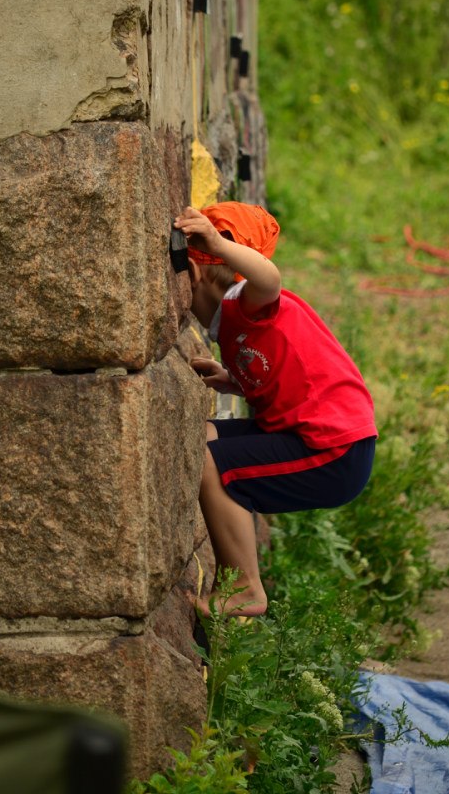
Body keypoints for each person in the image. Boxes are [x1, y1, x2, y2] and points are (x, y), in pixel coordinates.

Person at [173, 202, 377, 616]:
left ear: (193, 273)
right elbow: (288, 377)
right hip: (320, 439)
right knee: (205, 438)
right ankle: (236, 580)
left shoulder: (245, 303)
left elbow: (270, 277)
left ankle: (245, 589)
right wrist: (235, 380)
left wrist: (213, 241)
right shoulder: (237, 325)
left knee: (212, 461)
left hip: (332, 452)